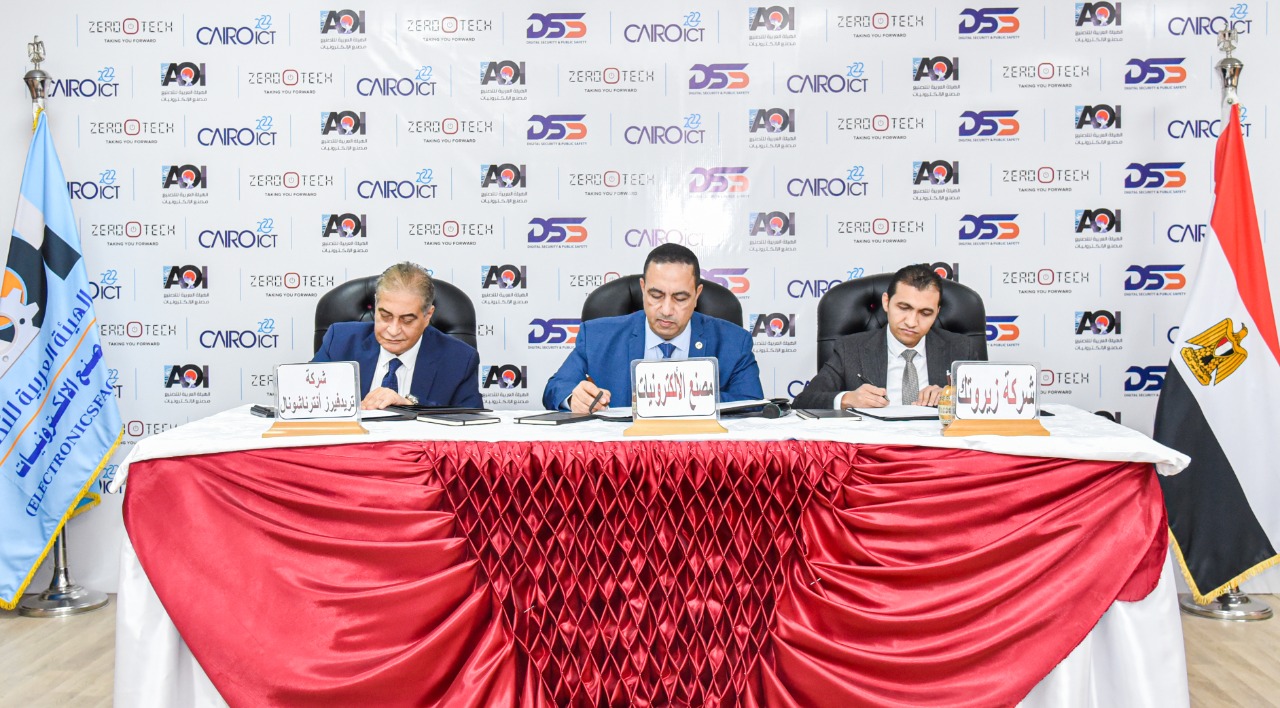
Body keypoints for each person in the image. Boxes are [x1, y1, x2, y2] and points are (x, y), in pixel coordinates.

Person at [542, 243, 763, 412]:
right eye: (656, 295)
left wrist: (675, 400)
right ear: (643, 288)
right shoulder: (596, 336)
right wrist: (573, 398)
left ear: (697, 295)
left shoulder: (735, 342)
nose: (666, 310)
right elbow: (555, 388)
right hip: (623, 455)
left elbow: (752, 405)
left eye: (680, 298)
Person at [793, 264, 986, 409]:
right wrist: (847, 399)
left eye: (925, 313)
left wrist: (953, 397)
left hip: (937, 446)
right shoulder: (850, 349)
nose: (912, 322)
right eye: (904, 308)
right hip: (873, 447)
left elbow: (989, 401)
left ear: (937, 312)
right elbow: (803, 401)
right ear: (886, 302)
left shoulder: (962, 348)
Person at [313, 262, 482, 410]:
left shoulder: (460, 359)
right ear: (376, 305)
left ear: (427, 316)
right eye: (385, 316)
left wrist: (411, 406)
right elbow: (307, 398)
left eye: (407, 320)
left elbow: (471, 422)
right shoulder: (339, 341)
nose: (393, 331)